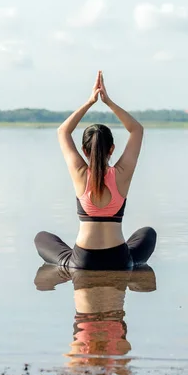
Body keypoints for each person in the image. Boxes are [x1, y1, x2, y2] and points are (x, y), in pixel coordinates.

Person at [34, 71, 156, 270]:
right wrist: (107, 101)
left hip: (82, 260)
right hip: (119, 259)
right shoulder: (122, 173)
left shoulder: (80, 173)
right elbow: (137, 130)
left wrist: (90, 101)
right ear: (112, 149)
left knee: (42, 237)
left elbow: (63, 131)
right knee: (148, 233)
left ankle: (66, 269)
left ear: (84, 150)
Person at [33, 264, 157, 375]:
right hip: (108, 262)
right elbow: (125, 367)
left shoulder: (85, 351)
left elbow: (124, 364)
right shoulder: (108, 352)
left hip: (85, 264)